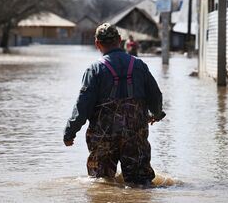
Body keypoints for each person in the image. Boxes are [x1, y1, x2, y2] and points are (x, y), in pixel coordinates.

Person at [63, 23, 165, 185]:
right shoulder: (139, 65)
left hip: (103, 137)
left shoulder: (94, 69)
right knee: (141, 185)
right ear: (119, 40)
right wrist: (157, 114)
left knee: (101, 183)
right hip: (135, 136)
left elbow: (83, 106)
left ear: (97, 44)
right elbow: (155, 95)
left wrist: (70, 132)